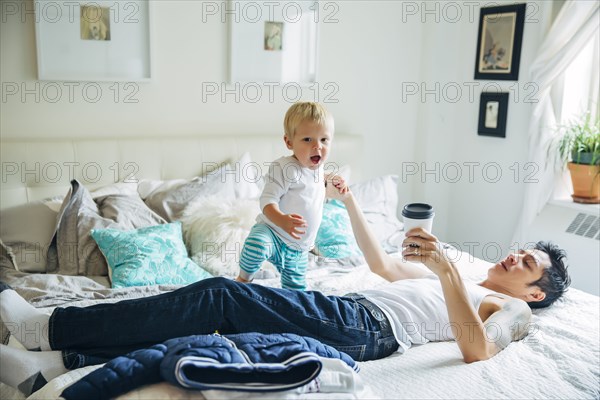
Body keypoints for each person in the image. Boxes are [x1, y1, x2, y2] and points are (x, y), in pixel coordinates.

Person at [0, 182, 570, 396]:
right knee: (213, 325)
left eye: (529, 262)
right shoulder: (462, 274)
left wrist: (447, 271)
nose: (517, 256)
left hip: (368, 330)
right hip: (351, 308)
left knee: (222, 295)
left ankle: (46, 326)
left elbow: (479, 350)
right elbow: (382, 265)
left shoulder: (511, 306)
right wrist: (346, 199)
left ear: (536, 291)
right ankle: (54, 366)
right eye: (522, 248)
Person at [236, 102, 347, 290]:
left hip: (299, 249)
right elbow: (267, 200)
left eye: (324, 140)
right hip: (273, 233)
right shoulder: (284, 168)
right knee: (257, 244)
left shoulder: (319, 171)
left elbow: (314, 185)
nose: (317, 147)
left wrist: (335, 182)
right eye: (307, 139)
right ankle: (243, 279)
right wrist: (281, 220)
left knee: (296, 295)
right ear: (289, 142)